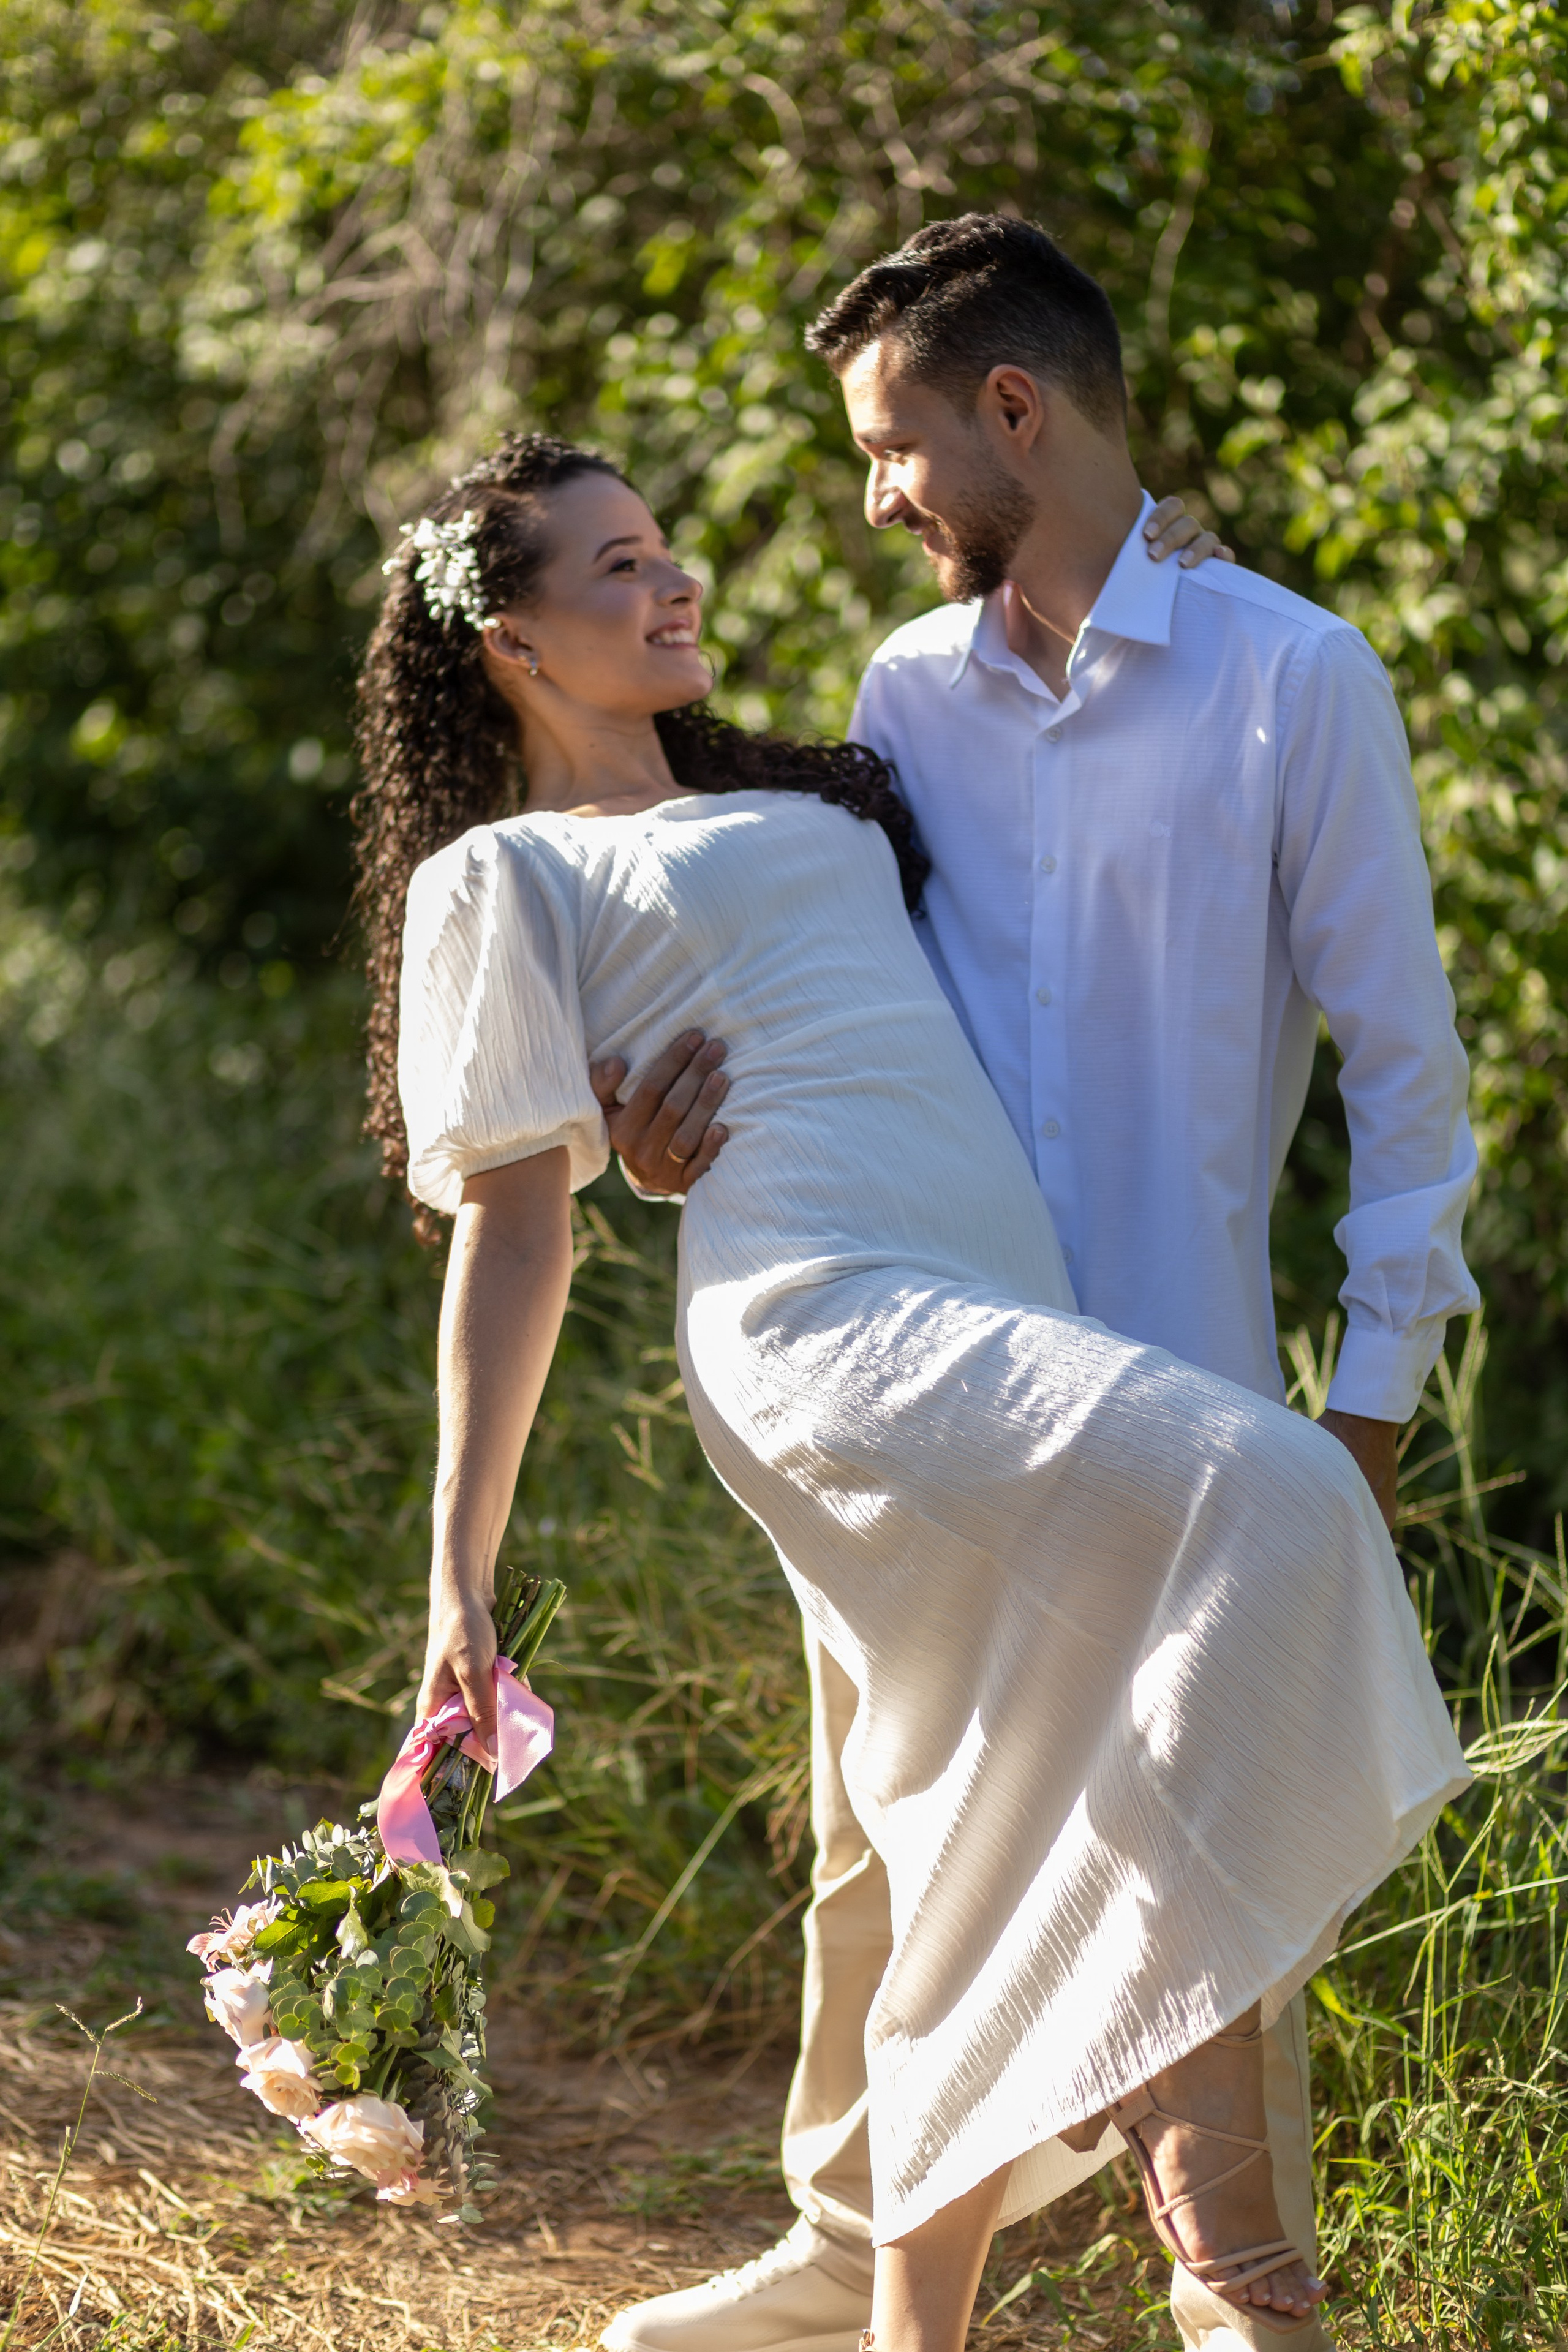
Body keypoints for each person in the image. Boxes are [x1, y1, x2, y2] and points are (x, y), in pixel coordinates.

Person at [356, 427, 1470, 2352]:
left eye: (663, 545)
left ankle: (917, 2319)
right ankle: (1242, 2275)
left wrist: (1164, 551)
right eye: (618, 568)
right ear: (511, 642)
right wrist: (460, 1562)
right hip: (820, 1324)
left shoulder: (808, 781)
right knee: (1274, 1493)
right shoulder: (499, 879)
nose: (674, 580)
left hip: (989, 1292)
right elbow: (514, 1234)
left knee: (976, 1812)